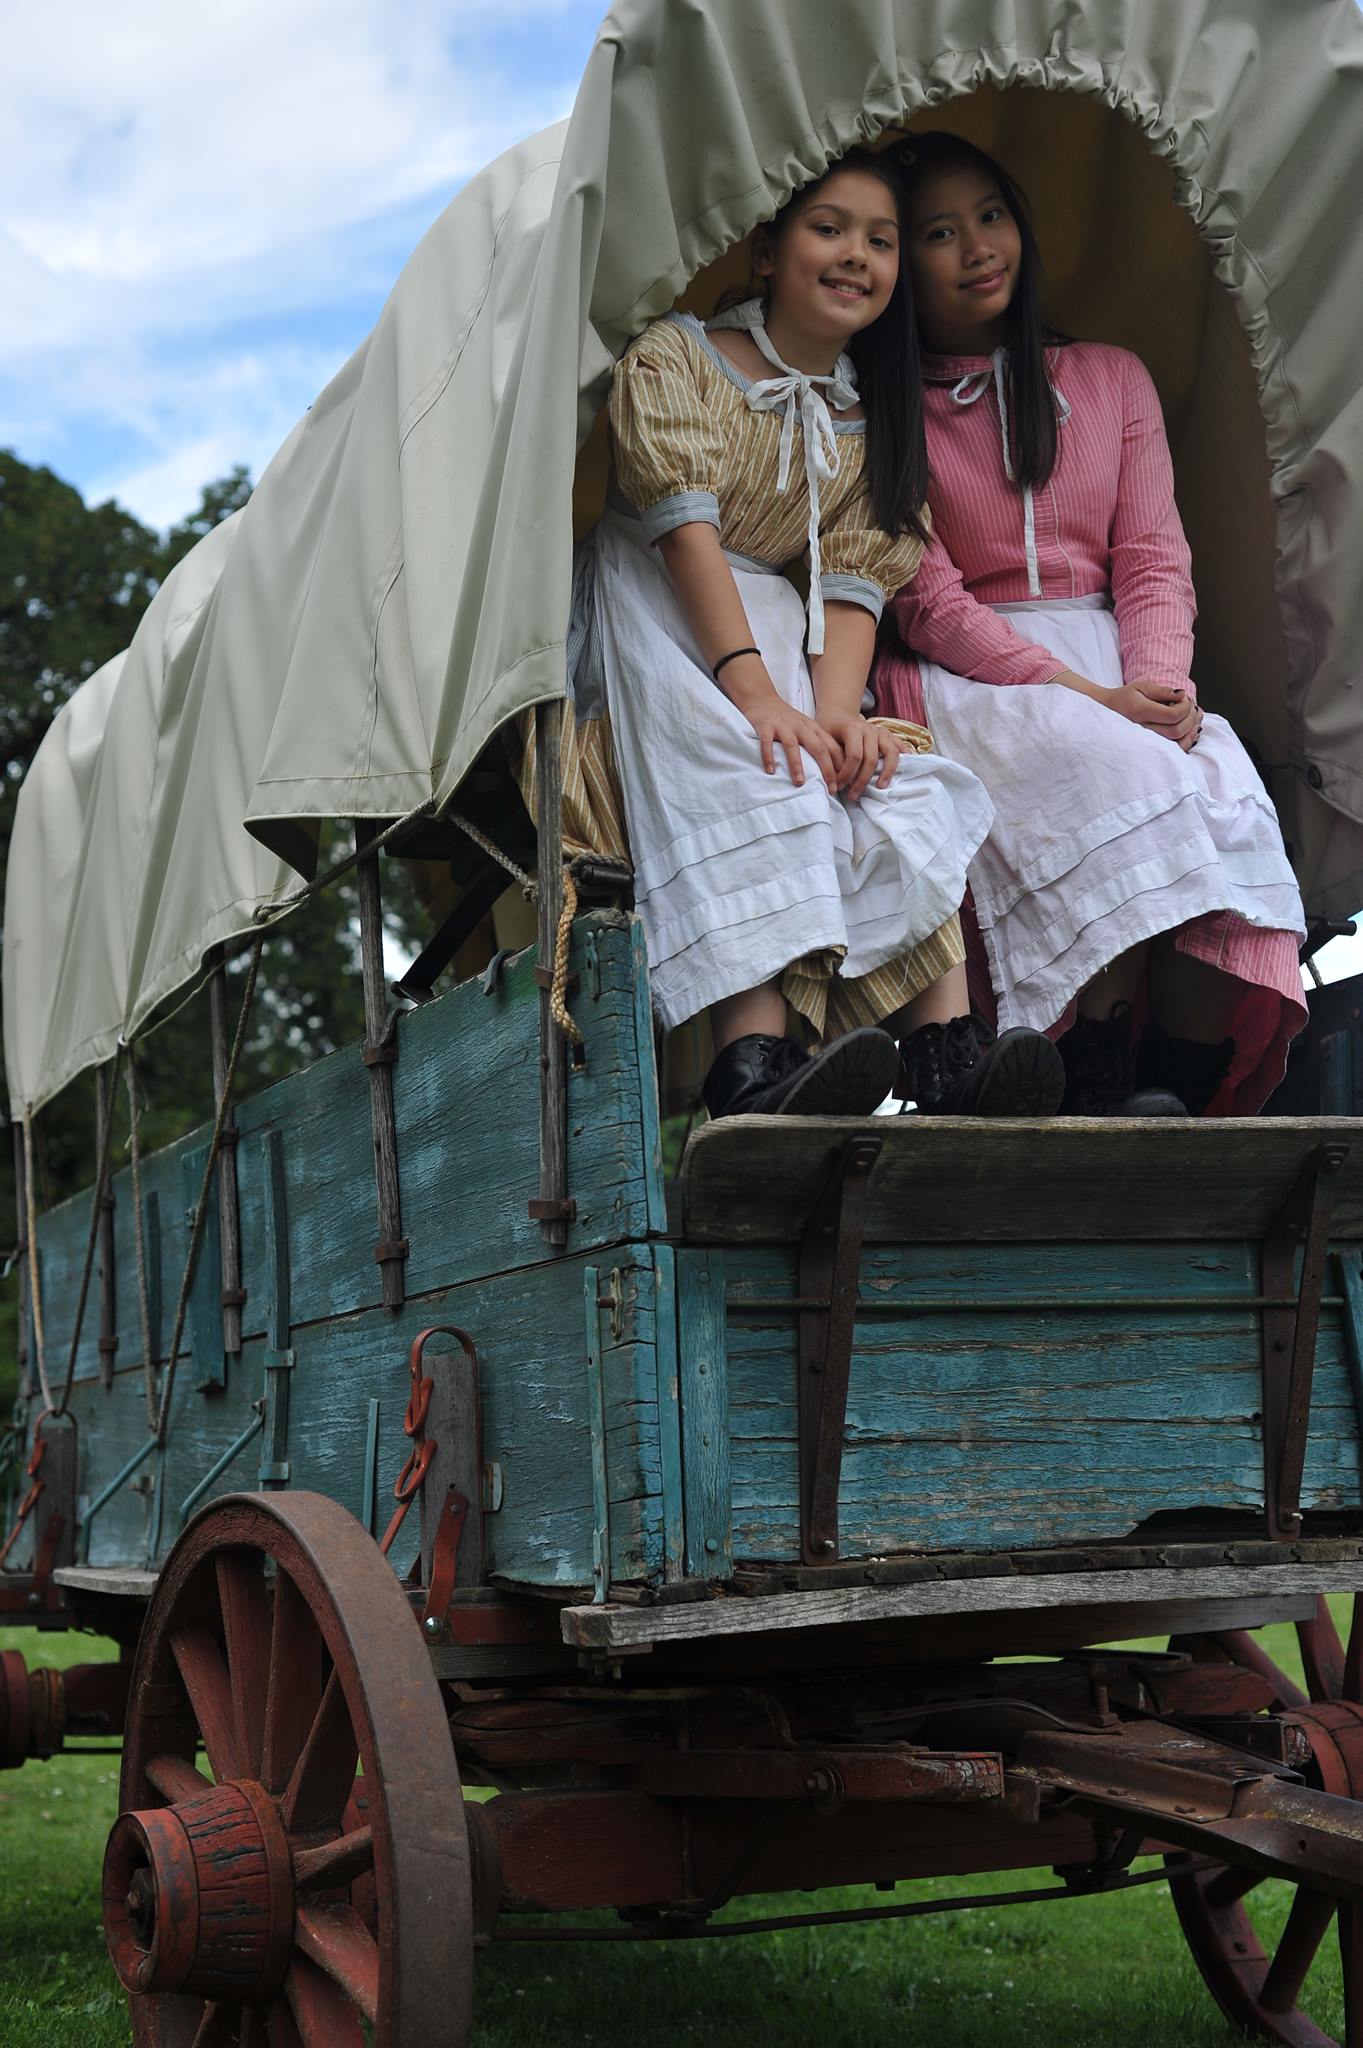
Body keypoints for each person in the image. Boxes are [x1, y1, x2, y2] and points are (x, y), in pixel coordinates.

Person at [536, 148, 1066, 1120]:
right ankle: (752, 1060)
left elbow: (857, 586)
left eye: (880, 239)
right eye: (829, 229)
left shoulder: (870, 416)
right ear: (767, 249)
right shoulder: (677, 358)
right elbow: (684, 535)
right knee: (754, 763)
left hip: (783, 627)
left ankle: (945, 1055)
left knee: (880, 775)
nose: (855, 255)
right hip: (654, 610)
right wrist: (756, 695)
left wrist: (833, 717)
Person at [873, 133, 1307, 1118]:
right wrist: (1092, 701)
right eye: (939, 232)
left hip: (1117, 653)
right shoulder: (884, 409)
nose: (979, 246)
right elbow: (926, 601)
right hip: (977, 675)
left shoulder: (1112, 378)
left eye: (990, 214)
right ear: (902, 264)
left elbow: (1153, 555)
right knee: (1106, 766)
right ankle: (1093, 1068)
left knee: (1218, 787)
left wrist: (1158, 686)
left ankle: (1175, 1080)